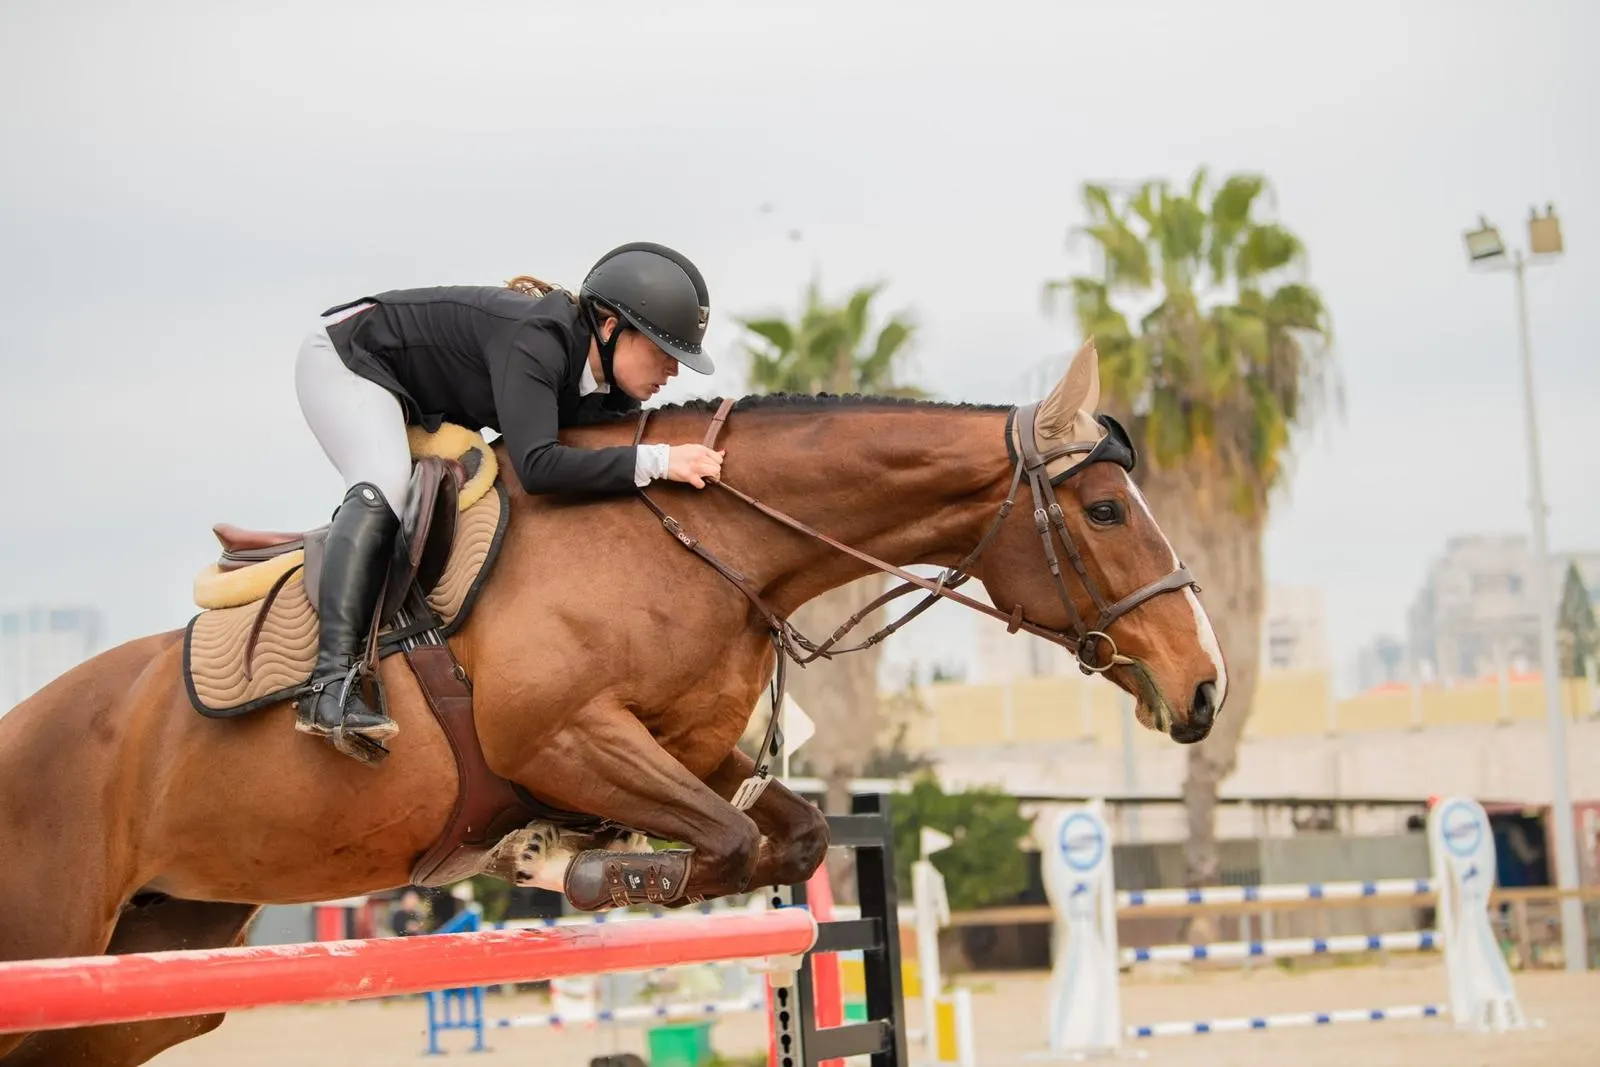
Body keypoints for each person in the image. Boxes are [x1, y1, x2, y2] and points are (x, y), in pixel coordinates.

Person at [292, 242, 725, 763]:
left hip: (418, 390)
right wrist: (658, 461)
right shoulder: (538, 339)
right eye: (661, 350)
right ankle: (328, 687)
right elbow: (540, 468)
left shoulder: (610, 390)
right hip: (350, 358)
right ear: (610, 328)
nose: (673, 371)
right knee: (386, 482)